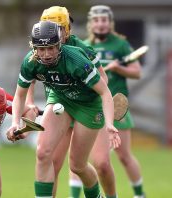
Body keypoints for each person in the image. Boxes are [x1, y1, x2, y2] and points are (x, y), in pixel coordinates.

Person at [6, 21, 120, 198]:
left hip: (88, 105)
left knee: (77, 166)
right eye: (41, 49)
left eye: (51, 48)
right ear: (34, 47)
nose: (46, 54)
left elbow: (105, 92)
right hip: (61, 99)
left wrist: (110, 124)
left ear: (59, 44)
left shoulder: (76, 60)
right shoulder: (30, 62)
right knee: (43, 153)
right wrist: (14, 123)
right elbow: (19, 96)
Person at [39, 6, 118, 198]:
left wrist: (81, 95)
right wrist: (28, 104)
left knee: (101, 164)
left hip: (86, 107)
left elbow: (103, 81)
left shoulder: (81, 50)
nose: (52, 32)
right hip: (61, 107)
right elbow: (31, 75)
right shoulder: (41, 47)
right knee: (51, 162)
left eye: (58, 27)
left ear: (66, 28)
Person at [84, 5, 145, 198]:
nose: (100, 24)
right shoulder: (84, 46)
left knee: (124, 156)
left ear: (110, 23)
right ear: (90, 23)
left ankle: (139, 194)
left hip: (117, 106)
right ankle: (75, 194)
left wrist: (120, 69)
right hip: (93, 108)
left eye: (104, 20)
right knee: (83, 158)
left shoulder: (120, 45)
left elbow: (137, 72)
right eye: (96, 20)